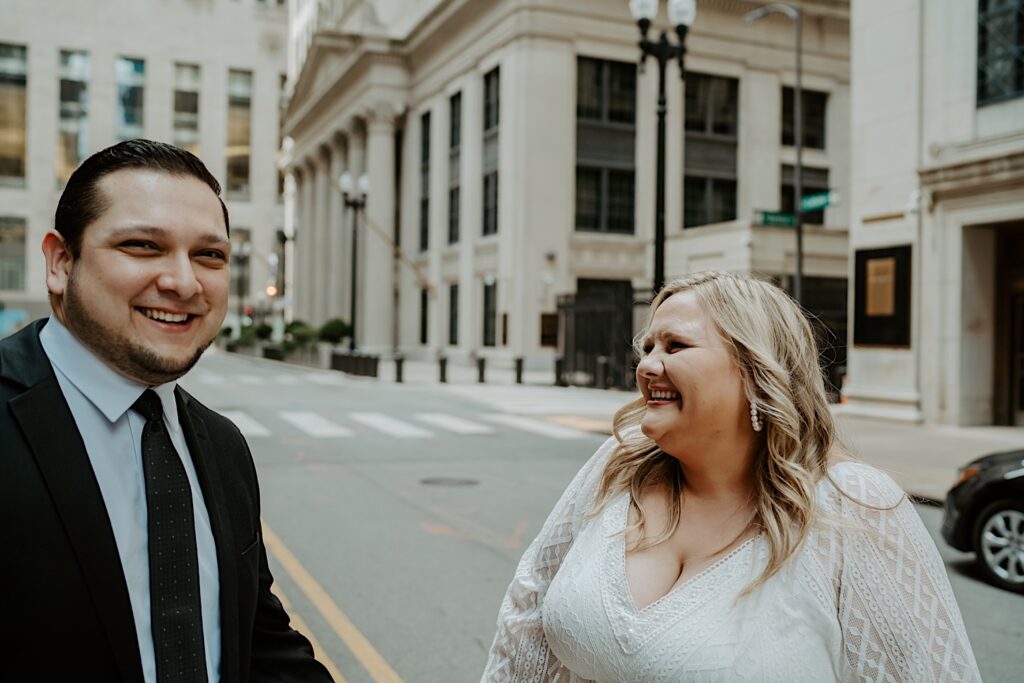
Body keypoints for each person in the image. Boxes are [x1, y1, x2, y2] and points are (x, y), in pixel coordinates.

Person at [481, 271, 981, 682]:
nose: (647, 364)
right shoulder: (618, 462)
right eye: (648, 345)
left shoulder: (855, 504)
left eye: (675, 346)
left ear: (756, 372)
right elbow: (525, 619)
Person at [0, 139, 333, 682]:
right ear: (61, 262)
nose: (183, 282)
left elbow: (260, 644)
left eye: (210, 255)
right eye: (142, 246)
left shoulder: (223, 445)